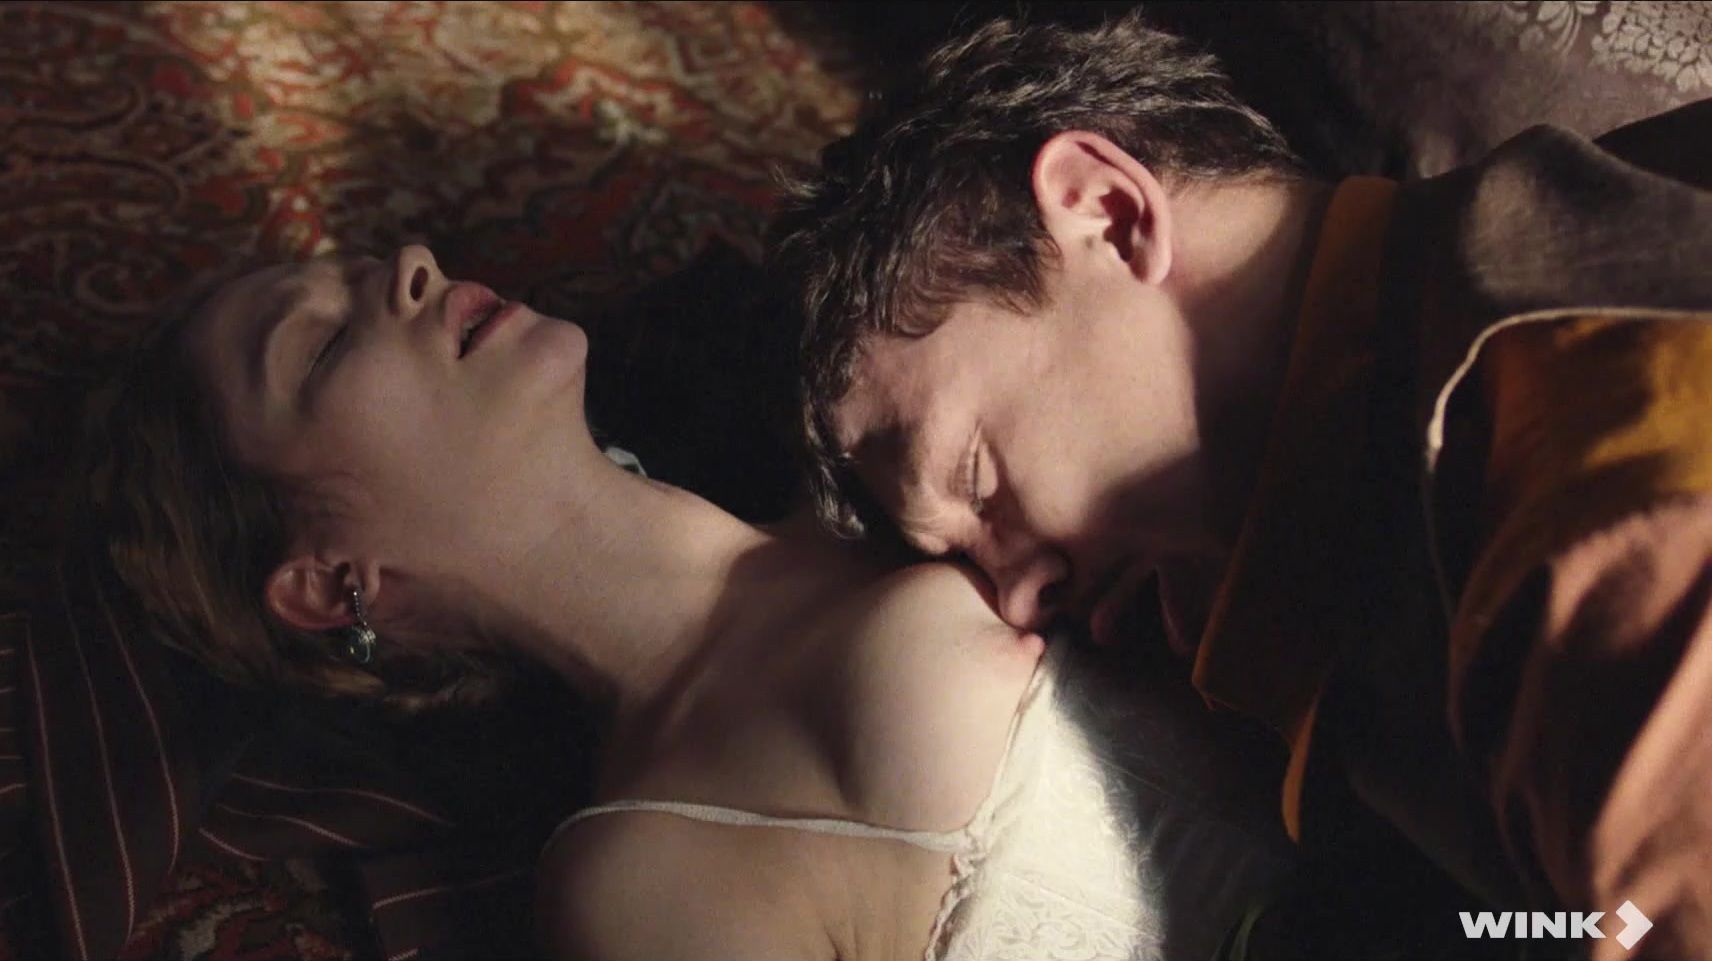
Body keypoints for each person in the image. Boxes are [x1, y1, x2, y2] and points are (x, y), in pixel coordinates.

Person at [768, 11, 1712, 958]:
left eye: (977, 481)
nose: (1017, 600)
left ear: (1107, 213)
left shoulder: (1569, 497)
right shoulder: (1499, 291)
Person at [70, 244, 1298, 960]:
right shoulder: (638, 868)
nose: (407, 265)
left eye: (362, 262)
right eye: (324, 343)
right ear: (332, 580)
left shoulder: (865, 442)